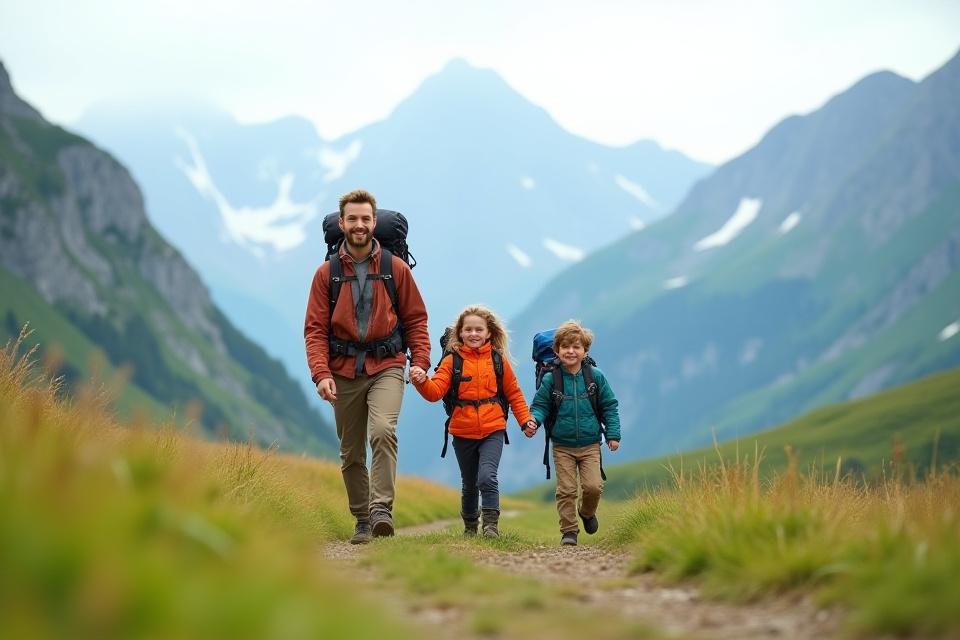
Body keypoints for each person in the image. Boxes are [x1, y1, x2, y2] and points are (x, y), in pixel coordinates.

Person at [304, 189, 430, 545]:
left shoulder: (396, 269)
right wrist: (321, 373)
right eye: (352, 219)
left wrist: (419, 362)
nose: (359, 225)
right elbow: (314, 329)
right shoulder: (325, 274)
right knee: (351, 451)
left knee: (382, 431)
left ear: (374, 223)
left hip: (387, 364)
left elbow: (416, 320)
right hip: (342, 370)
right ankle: (361, 518)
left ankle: (380, 511)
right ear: (342, 223)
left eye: (365, 219)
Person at [409, 305, 537, 538]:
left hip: (493, 429)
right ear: (460, 333)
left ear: (489, 333)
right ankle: (470, 527)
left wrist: (525, 421)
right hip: (462, 431)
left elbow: (514, 393)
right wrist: (421, 381)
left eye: (479, 329)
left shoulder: (498, 360)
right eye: (468, 329)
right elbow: (435, 392)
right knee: (469, 483)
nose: (474, 334)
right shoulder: (451, 361)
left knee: (487, 476)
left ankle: (491, 527)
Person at [528, 320, 620, 546]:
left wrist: (613, 434)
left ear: (585, 350)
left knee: (593, 487)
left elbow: (609, 405)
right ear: (556, 350)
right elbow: (540, 405)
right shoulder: (552, 379)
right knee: (566, 490)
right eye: (565, 346)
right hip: (562, 446)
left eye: (576, 346)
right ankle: (569, 531)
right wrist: (533, 421)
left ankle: (587, 513)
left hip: (590, 444)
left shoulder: (595, 376)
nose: (571, 351)